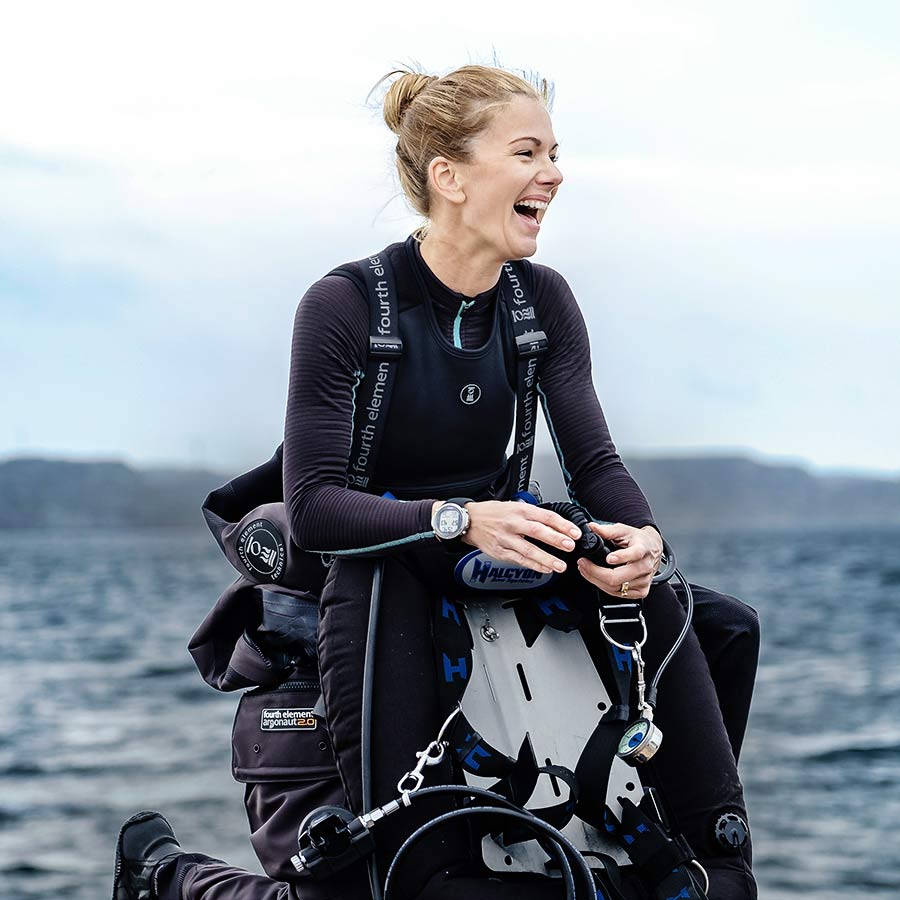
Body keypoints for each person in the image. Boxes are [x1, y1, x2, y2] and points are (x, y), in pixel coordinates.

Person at [113, 64, 759, 900]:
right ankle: (163, 878)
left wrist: (642, 539)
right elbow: (314, 507)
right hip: (372, 581)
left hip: (493, 567)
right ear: (450, 177)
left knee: (723, 630)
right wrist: (463, 519)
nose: (554, 173)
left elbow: (596, 465)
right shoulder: (347, 304)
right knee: (395, 889)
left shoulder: (542, 302)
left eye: (555, 152)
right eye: (527, 152)